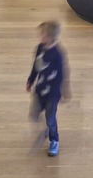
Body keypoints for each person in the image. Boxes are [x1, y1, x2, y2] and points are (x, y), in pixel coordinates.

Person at [26, 20, 71, 157]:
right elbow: (36, 65)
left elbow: (62, 74)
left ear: (51, 37)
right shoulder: (39, 48)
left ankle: (54, 140)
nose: (40, 37)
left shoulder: (58, 55)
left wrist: (65, 90)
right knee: (33, 114)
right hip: (40, 90)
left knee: (50, 119)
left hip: (52, 94)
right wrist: (31, 80)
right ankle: (44, 130)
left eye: (43, 35)